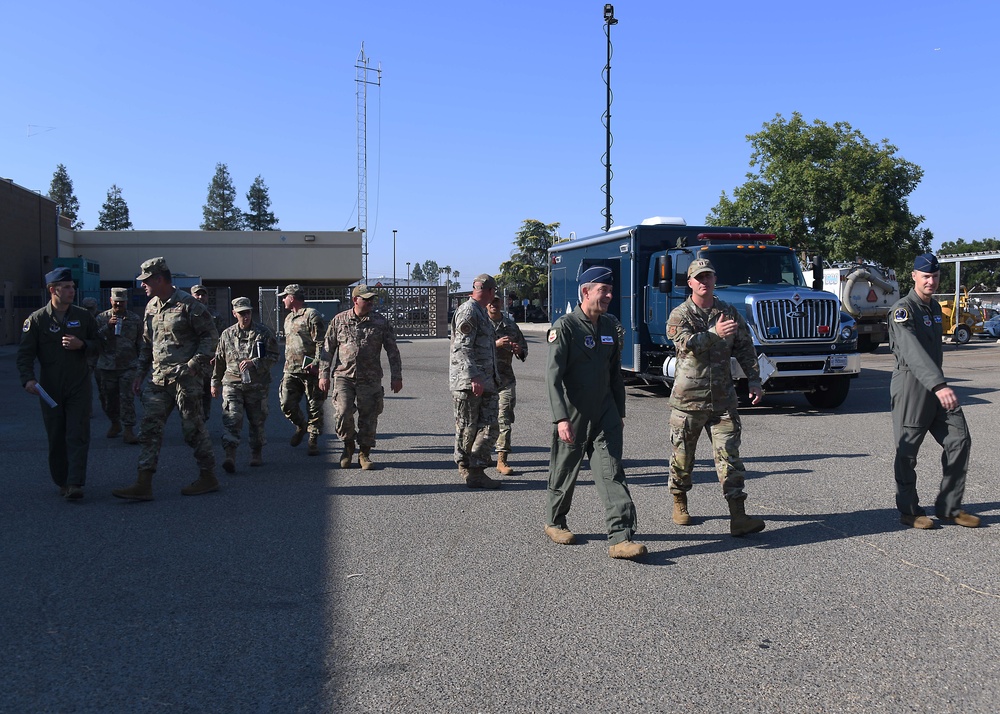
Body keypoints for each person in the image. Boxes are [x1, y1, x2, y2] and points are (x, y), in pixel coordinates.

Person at [544, 266, 645, 559]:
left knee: (611, 471)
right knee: (564, 471)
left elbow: (614, 374)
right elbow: (553, 377)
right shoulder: (565, 327)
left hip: (605, 412)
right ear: (586, 291)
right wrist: (560, 417)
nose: (610, 296)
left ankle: (620, 537)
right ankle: (555, 521)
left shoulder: (610, 327)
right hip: (574, 414)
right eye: (604, 290)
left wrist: (619, 411)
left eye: (611, 291)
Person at [665, 258, 766, 537]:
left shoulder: (728, 312)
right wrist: (713, 333)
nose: (704, 281)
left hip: (723, 401)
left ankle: (738, 516)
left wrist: (755, 380)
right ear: (690, 283)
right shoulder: (680, 314)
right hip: (688, 402)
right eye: (698, 277)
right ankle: (679, 501)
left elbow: (745, 347)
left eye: (708, 276)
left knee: (730, 459)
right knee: (683, 458)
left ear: (714, 279)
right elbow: (686, 344)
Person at [112, 257, 220, 500]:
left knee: (192, 430)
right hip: (159, 380)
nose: (142, 285)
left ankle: (208, 476)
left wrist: (193, 365)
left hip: (185, 380)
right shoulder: (151, 307)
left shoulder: (189, 305)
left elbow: (210, 338)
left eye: (146, 280)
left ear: (159, 279)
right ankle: (143, 483)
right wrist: (140, 373)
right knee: (150, 428)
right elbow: (147, 345)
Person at [888, 253, 979, 529]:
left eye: (935, 276)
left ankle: (949, 506)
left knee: (959, 440)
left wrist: (939, 384)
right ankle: (910, 510)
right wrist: (939, 385)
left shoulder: (935, 309)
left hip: (937, 385)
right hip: (912, 387)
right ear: (913, 276)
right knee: (907, 452)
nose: (931, 281)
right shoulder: (903, 310)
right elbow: (913, 353)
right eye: (926, 276)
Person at [17, 267, 99, 500]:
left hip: (78, 385)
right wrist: (28, 379)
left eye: (72, 287)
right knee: (56, 435)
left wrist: (82, 344)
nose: (72, 290)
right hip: (50, 388)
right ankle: (62, 480)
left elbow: (101, 343)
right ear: (53, 290)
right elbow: (24, 354)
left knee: (77, 433)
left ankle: (75, 483)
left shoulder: (84, 316)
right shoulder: (37, 320)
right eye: (66, 287)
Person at [318, 285, 403, 470]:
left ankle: (364, 453)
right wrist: (323, 375)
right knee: (343, 412)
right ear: (355, 300)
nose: (371, 302)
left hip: (370, 377)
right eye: (366, 299)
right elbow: (327, 350)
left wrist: (397, 376)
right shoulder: (339, 320)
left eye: (372, 299)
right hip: (344, 376)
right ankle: (348, 445)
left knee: (369, 416)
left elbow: (392, 351)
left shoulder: (380, 322)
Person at [212, 297, 280, 473]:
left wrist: (255, 362)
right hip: (232, 383)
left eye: (248, 312)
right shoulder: (227, 334)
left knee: (257, 421)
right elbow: (219, 360)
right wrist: (215, 383)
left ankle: (256, 452)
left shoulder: (263, 333)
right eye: (241, 313)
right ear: (234, 314)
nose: (245, 316)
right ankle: (230, 455)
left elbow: (274, 356)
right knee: (232, 419)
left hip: (257, 385)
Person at [449, 274, 503, 489]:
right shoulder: (469, 311)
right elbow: (462, 347)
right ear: (490, 291)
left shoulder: (480, 311)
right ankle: (468, 469)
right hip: (470, 383)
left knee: (490, 426)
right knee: (467, 427)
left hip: (486, 381)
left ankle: (476, 468)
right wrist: (474, 376)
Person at [280, 284, 326, 456]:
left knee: (314, 406)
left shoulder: (311, 315)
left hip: (309, 370)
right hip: (291, 369)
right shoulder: (288, 318)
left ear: (292, 297)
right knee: (286, 403)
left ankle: (313, 440)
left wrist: (316, 363)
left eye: (285, 296)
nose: (283, 300)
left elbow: (321, 342)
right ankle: (301, 425)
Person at [94, 287, 142, 444]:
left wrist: (142, 365)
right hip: (107, 366)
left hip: (128, 365)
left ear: (126, 302)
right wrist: (108, 327)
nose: (119, 305)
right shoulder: (101, 318)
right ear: (110, 301)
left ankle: (129, 429)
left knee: (127, 398)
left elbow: (141, 342)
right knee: (108, 399)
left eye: (122, 302)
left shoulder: (135, 319)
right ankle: (115, 423)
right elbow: (93, 340)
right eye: (116, 302)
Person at [486, 296, 527, 476]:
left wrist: (519, 350)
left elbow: (523, 349)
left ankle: (502, 459)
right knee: (484, 421)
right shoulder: (480, 324)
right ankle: (481, 454)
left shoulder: (510, 326)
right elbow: (469, 348)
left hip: (505, 380)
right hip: (485, 380)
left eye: (496, 302)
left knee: (504, 418)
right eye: (490, 302)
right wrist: (495, 344)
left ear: (501, 304)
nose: (493, 305)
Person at [191, 284, 224, 421]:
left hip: (209, 360)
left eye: (203, 294)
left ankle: (203, 419)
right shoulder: (186, 313)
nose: (200, 297)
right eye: (197, 294)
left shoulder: (214, 315)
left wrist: (219, 356)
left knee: (206, 391)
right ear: (192, 296)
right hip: (191, 359)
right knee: (191, 392)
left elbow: (222, 337)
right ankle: (193, 420)